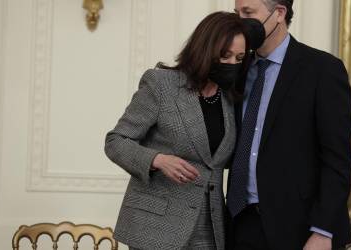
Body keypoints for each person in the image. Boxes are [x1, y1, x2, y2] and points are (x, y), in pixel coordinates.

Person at [104, 12, 249, 250]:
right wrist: (157, 160)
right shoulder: (161, 84)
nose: (232, 64)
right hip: (155, 227)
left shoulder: (230, 98)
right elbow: (116, 141)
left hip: (210, 227)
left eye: (239, 58)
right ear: (205, 49)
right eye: (225, 55)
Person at [226, 0, 351, 249]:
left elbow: (338, 160)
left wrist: (323, 231)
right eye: (237, 13)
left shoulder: (323, 70)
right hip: (239, 223)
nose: (239, 21)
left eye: (248, 13)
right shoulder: (237, 68)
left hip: (301, 229)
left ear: (279, 13)